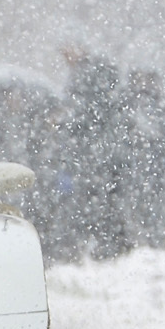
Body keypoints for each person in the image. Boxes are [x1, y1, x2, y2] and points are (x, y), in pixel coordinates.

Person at [58, 47, 133, 259]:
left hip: (99, 156)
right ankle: (110, 244)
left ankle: (108, 244)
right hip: (103, 155)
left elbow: (86, 118)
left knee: (99, 202)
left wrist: (70, 122)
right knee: (104, 202)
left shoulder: (87, 83)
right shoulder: (99, 84)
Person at [122, 69, 165, 249]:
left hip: (160, 164)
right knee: (145, 203)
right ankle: (150, 238)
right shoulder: (129, 108)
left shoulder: (164, 108)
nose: (143, 86)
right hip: (141, 165)